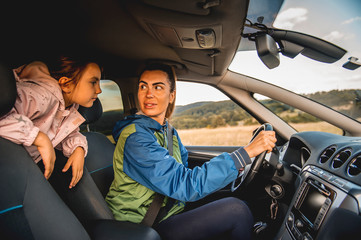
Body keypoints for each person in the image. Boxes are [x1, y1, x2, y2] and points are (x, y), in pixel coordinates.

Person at [106, 63, 276, 240]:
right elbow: (185, 184)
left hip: (171, 208)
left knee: (242, 204)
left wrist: (237, 167)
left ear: (171, 96)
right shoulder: (136, 139)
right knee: (237, 210)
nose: (149, 94)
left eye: (157, 87)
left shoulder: (168, 132)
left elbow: (184, 171)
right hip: (143, 224)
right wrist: (244, 154)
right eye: (143, 87)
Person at [0, 56, 102, 189]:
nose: (99, 90)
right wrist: (39, 138)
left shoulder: (69, 108)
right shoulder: (39, 97)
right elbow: (3, 116)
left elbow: (65, 132)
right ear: (66, 84)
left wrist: (78, 149)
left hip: (21, 169)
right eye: (93, 82)